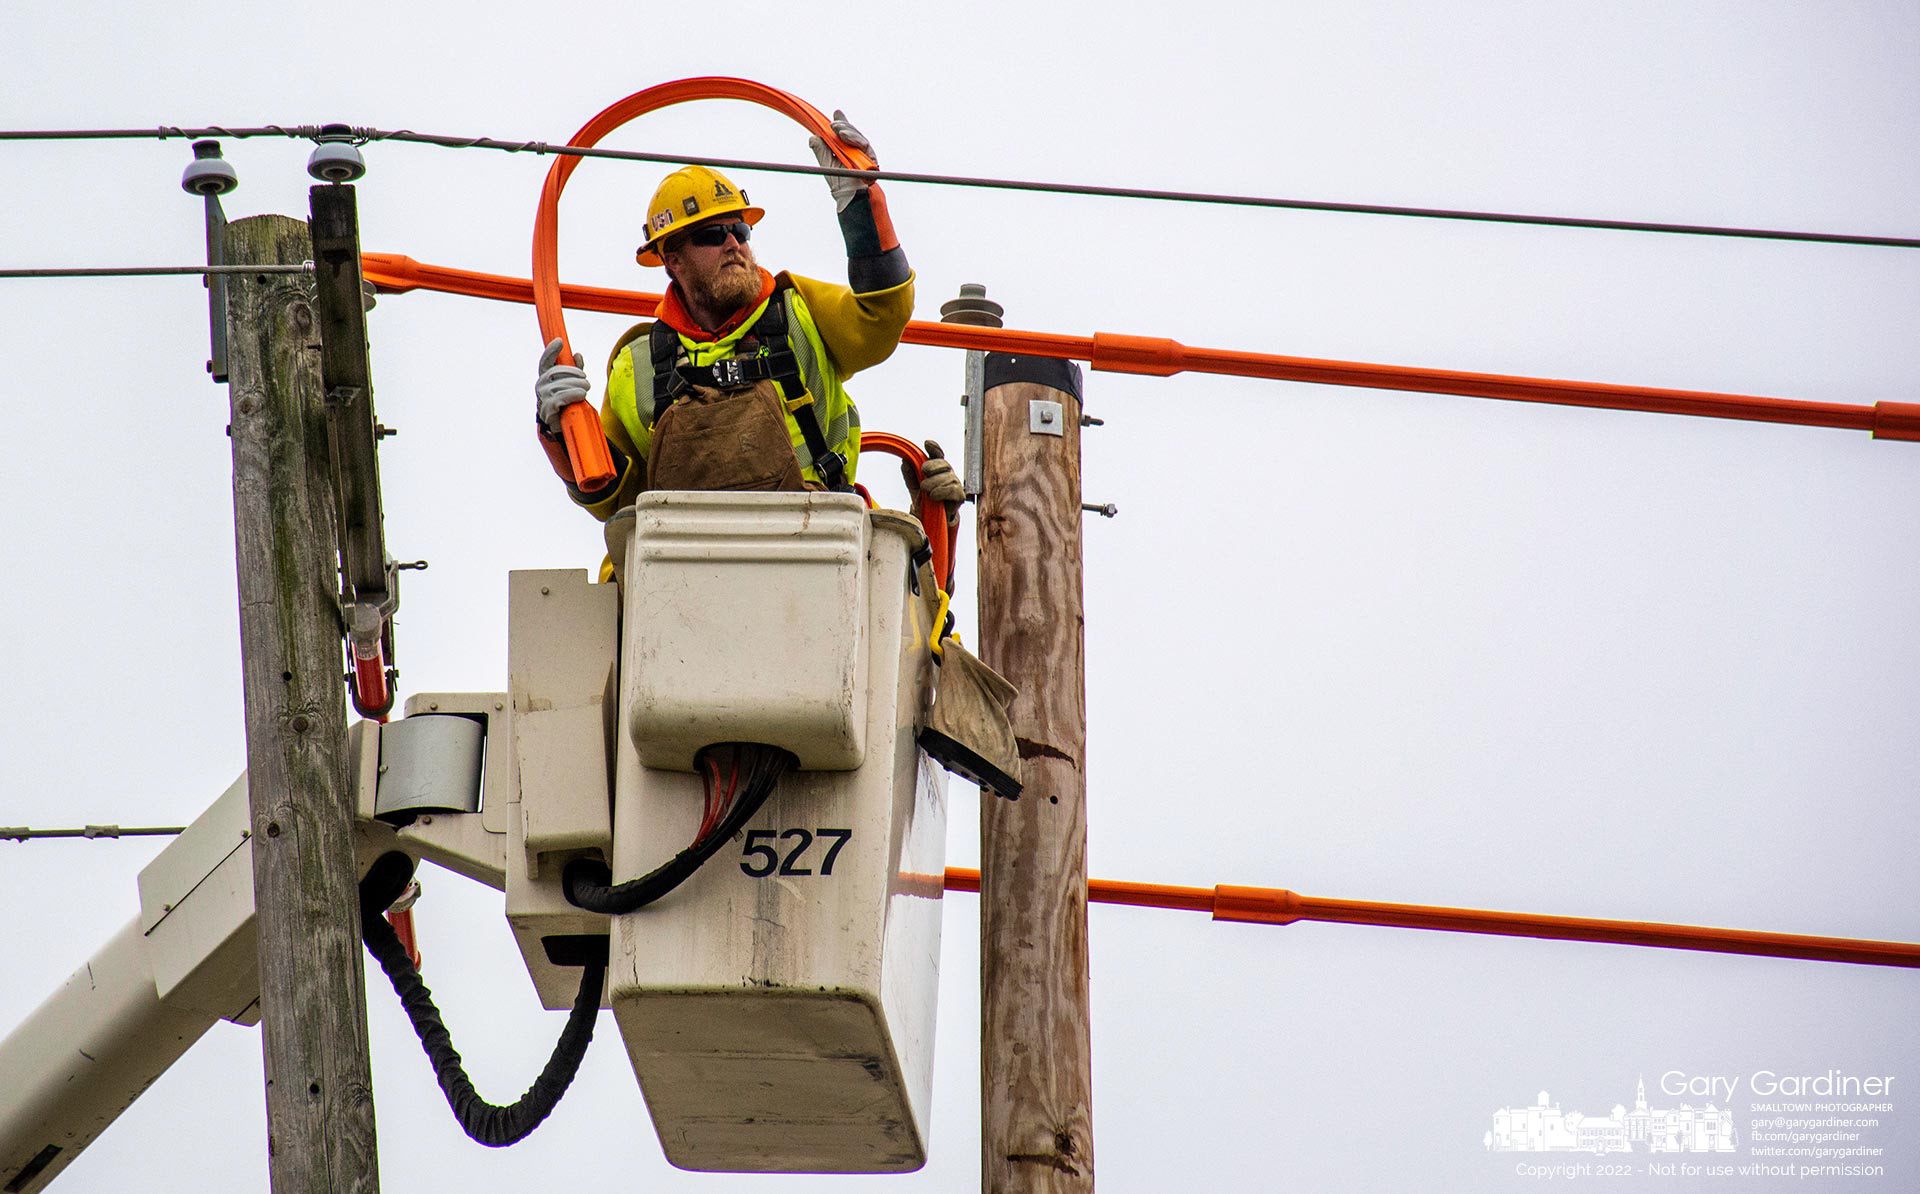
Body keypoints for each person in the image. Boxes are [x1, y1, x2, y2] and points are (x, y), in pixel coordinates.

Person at [534, 112, 960, 518]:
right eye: (712, 235)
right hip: (685, 565)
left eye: (740, 230)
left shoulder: (799, 312)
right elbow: (614, 494)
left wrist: (861, 205)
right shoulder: (638, 365)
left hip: (819, 545)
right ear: (672, 259)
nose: (733, 244)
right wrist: (561, 431)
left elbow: (883, 313)